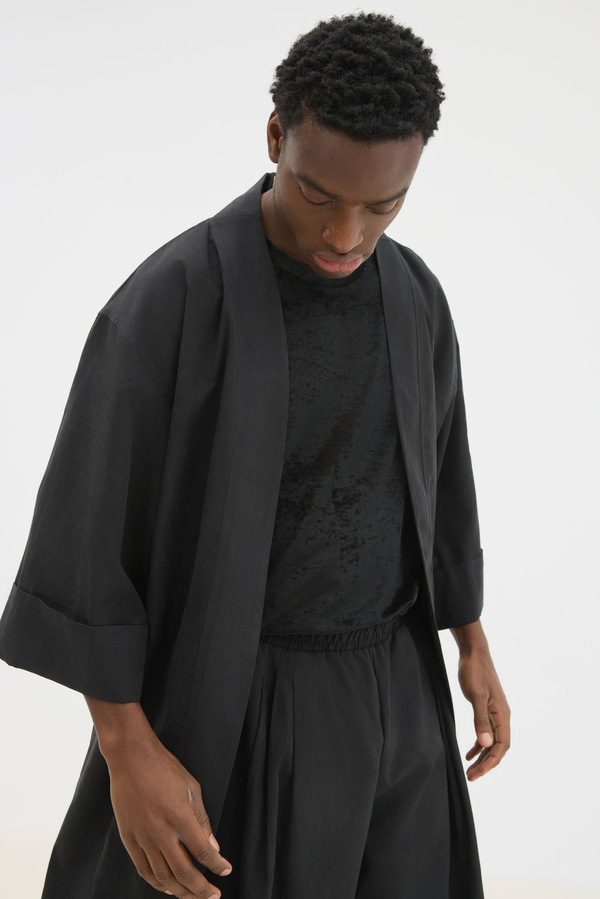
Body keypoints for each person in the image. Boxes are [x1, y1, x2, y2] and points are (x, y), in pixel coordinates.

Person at [0, 12, 510, 899]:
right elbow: (85, 548)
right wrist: (127, 748)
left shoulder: (414, 296)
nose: (346, 234)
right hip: (237, 701)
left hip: (399, 691)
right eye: (319, 194)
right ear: (277, 136)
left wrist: (470, 641)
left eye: (382, 205)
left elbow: (439, 480)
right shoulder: (168, 304)